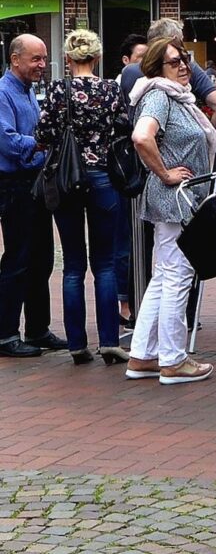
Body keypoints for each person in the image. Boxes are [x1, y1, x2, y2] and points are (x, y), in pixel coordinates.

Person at [125, 37, 216, 384]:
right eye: (175, 61)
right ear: (156, 67)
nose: (184, 66)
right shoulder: (159, 95)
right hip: (175, 200)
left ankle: (143, 356)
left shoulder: (176, 98)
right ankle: (173, 360)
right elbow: (141, 137)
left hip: (179, 199)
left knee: (165, 276)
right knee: (177, 276)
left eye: (185, 59)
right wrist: (165, 172)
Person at [36, 29, 129, 366]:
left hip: (66, 178)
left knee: (73, 264)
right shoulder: (111, 89)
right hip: (103, 176)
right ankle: (109, 341)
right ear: (97, 57)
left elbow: (43, 133)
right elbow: (124, 126)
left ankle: (76, 342)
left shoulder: (58, 90)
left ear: (68, 58)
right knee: (104, 264)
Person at [0, 34, 67, 358]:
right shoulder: (3, 93)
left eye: (43, 59)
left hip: (34, 180)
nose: (42, 65)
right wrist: (40, 146)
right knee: (18, 258)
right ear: (15, 59)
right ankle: (5, 333)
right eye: (36, 59)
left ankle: (38, 329)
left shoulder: (28, 92)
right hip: (15, 183)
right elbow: (9, 141)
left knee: (40, 258)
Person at [120, 18, 216, 129]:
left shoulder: (128, 73)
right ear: (174, 40)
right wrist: (208, 140)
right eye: (181, 41)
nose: (182, 65)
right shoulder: (185, 68)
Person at [114, 34, 148, 327]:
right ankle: (124, 303)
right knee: (125, 240)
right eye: (139, 60)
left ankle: (136, 303)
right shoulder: (119, 90)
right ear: (127, 62)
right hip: (128, 177)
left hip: (140, 177)